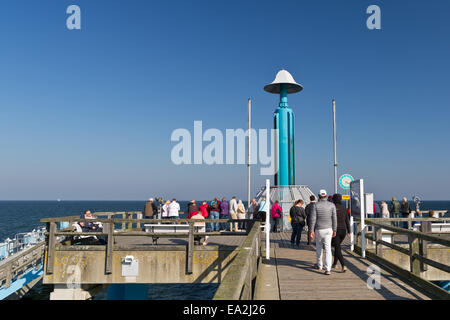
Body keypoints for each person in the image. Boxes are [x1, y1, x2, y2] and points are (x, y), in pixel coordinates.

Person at [310, 189, 337, 275]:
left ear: (318, 195)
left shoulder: (315, 205)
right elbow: (334, 218)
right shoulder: (332, 205)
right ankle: (328, 269)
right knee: (328, 249)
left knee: (319, 248)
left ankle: (319, 265)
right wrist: (335, 229)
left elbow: (313, 219)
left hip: (319, 229)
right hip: (329, 229)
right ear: (326, 195)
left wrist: (311, 230)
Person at [331, 194, 351, 273]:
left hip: (335, 230)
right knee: (337, 246)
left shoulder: (332, 207)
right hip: (343, 230)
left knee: (337, 248)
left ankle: (343, 265)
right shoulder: (344, 208)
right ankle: (335, 263)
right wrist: (349, 231)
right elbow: (347, 220)